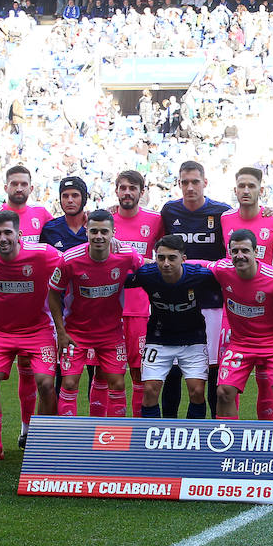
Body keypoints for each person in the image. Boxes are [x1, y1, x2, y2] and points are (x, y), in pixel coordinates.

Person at [0, 165, 53, 451]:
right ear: (6, 186)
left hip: (35, 310)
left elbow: (62, 251)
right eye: (13, 183)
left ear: (31, 186)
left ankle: (31, 433)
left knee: (35, 377)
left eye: (23, 183)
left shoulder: (42, 216)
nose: (19, 188)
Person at [48, 209, 145, 418]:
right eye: (94, 231)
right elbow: (53, 294)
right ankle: (69, 436)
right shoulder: (69, 260)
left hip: (111, 333)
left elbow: (147, 270)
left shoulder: (126, 255)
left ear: (113, 233)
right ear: (86, 231)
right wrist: (61, 332)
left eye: (104, 231)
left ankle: (112, 439)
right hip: (76, 332)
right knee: (70, 382)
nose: (99, 236)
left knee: (117, 383)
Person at [159, 161, 230, 417]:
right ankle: (168, 430)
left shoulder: (223, 213)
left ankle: (210, 431)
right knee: (173, 371)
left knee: (211, 370)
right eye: (184, 182)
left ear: (205, 183)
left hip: (212, 304)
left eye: (195, 182)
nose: (189, 187)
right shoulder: (169, 211)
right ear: (179, 183)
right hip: (176, 304)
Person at [205, 231, 273, 421]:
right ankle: (229, 446)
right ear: (229, 253)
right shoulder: (223, 270)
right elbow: (198, 265)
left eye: (245, 250)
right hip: (240, 344)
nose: (240, 255)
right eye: (235, 251)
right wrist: (168, 264)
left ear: (256, 252)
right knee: (223, 392)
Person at [222, 166, 273, 420]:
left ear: (261, 190)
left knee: (268, 381)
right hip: (234, 312)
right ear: (235, 189)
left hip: (267, 309)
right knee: (229, 382)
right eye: (241, 186)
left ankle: (267, 437)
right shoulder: (225, 218)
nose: (246, 191)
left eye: (251, 186)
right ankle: (231, 440)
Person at [125, 236, 221, 419]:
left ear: (183, 259)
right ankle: (152, 439)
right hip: (158, 338)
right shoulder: (147, 274)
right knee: (150, 391)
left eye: (172, 258)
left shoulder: (200, 276)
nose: (166, 263)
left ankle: (193, 438)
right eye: (161, 258)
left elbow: (230, 282)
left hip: (193, 338)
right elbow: (118, 279)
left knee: (197, 391)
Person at [110, 170, 164, 418]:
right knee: (107, 373)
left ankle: (138, 433)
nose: (127, 192)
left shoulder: (155, 220)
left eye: (133, 188)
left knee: (139, 373)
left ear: (142, 192)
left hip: (140, 309)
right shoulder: (105, 221)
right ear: (117, 191)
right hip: (107, 309)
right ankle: (110, 434)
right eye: (123, 188)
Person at [40, 176, 91, 252]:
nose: (70, 200)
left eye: (75, 195)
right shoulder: (49, 230)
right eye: (65, 196)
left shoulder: (97, 229)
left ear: (84, 198)